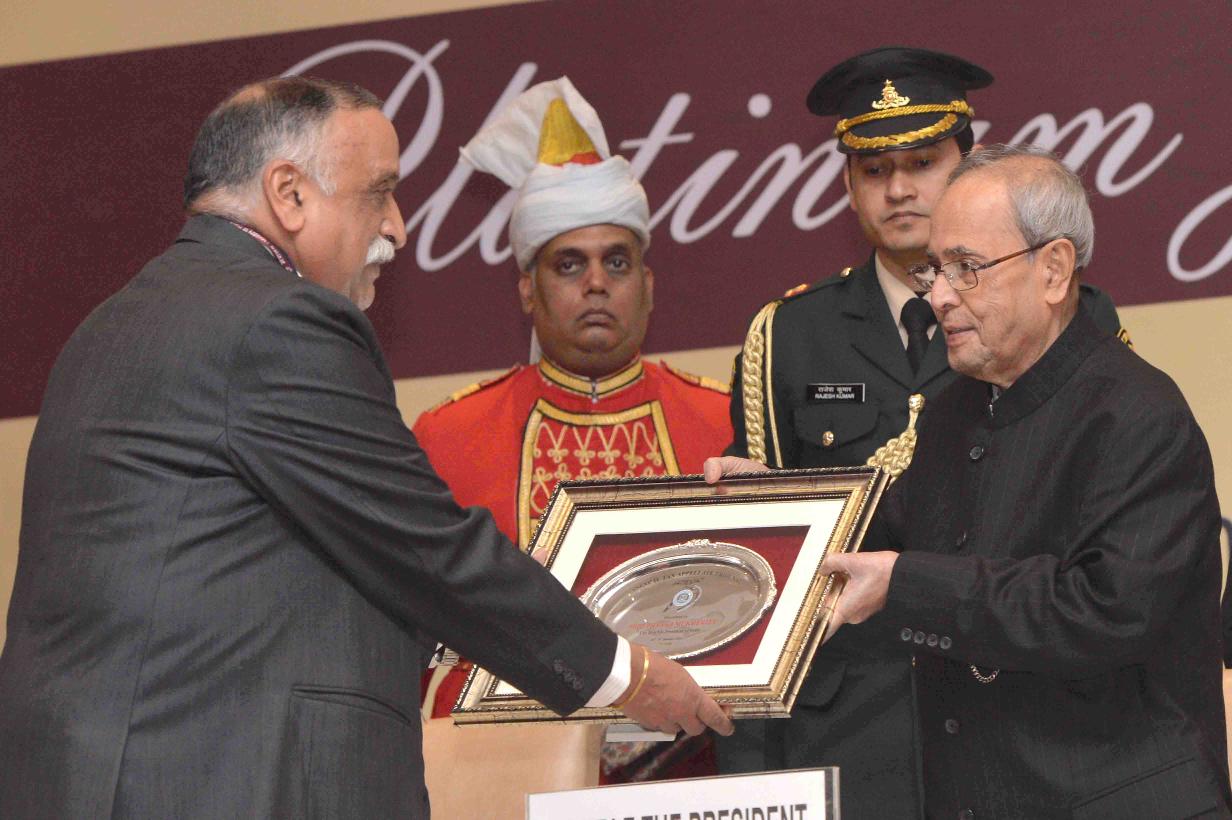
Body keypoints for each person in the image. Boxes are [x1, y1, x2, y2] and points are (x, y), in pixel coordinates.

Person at [0, 76, 732, 819]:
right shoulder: (280, 321)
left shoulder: (112, 324)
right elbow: (429, 547)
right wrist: (627, 674)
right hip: (211, 782)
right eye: (379, 192)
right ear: (289, 194)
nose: (398, 228)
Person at [724, 144, 1230, 818]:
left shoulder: (1138, 413)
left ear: (1053, 270)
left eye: (966, 268)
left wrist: (908, 584)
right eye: (935, 269)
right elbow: (879, 535)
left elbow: (1103, 611)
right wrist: (776, 506)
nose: (937, 295)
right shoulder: (955, 413)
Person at [414, 78, 731, 790]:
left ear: (648, 284)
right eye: (568, 264)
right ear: (527, 288)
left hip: (694, 778)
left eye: (617, 262)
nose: (595, 283)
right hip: (504, 777)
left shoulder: (724, 421)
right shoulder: (449, 436)